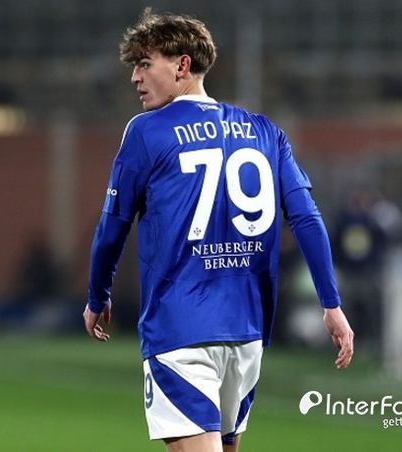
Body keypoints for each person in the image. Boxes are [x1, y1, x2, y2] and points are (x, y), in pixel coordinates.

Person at [83, 9, 353, 452]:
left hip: (180, 326)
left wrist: (98, 296)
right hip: (246, 331)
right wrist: (331, 303)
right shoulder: (266, 132)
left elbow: (112, 226)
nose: (135, 77)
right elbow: (306, 218)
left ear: (182, 65)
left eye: (145, 64)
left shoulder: (147, 132)